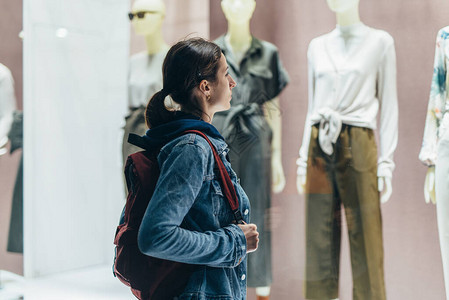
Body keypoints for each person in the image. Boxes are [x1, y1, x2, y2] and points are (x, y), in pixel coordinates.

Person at [133, 38, 259, 299]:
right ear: (206, 87)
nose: (232, 82)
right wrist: (235, 242)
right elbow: (155, 236)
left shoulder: (194, 141)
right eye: (226, 74)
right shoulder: (192, 147)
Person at [296, 0, 398, 299]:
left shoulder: (380, 42)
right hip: (319, 140)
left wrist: (386, 163)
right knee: (318, 237)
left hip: (359, 140)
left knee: (366, 235)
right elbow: (313, 106)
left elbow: (389, 106)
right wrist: (303, 159)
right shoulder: (317, 46)